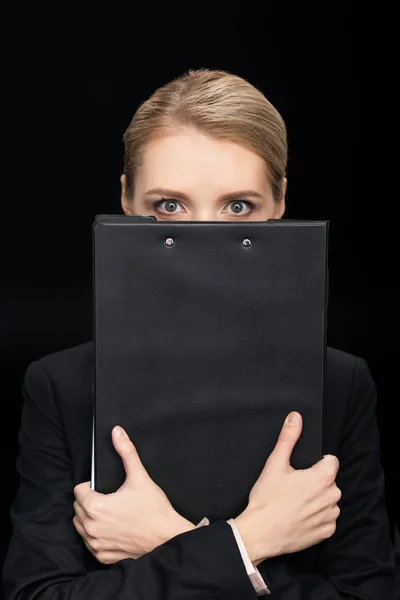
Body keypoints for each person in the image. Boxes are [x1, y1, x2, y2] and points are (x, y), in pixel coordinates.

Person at [2, 69, 394, 599]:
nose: (203, 239)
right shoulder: (61, 386)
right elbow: (39, 595)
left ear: (278, 205)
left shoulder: (342, 384)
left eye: (238, 206)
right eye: (169, 206)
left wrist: (171, 543)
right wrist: (251, 543)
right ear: (127, 202)